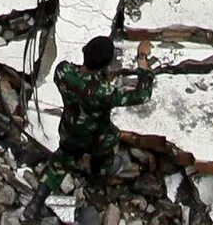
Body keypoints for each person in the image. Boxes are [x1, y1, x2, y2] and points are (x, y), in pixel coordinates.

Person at [46, 36, 151, 192]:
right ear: (106, 64)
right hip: (95, 139)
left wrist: (99, 76)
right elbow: (142, 95)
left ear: (84, 51)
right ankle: (97, 178)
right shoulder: (105, 92)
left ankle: (38, 199)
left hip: (69, 130)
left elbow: (80, 78)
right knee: (112, 136)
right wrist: (142, 59)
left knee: (62, 159)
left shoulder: (63, 71)